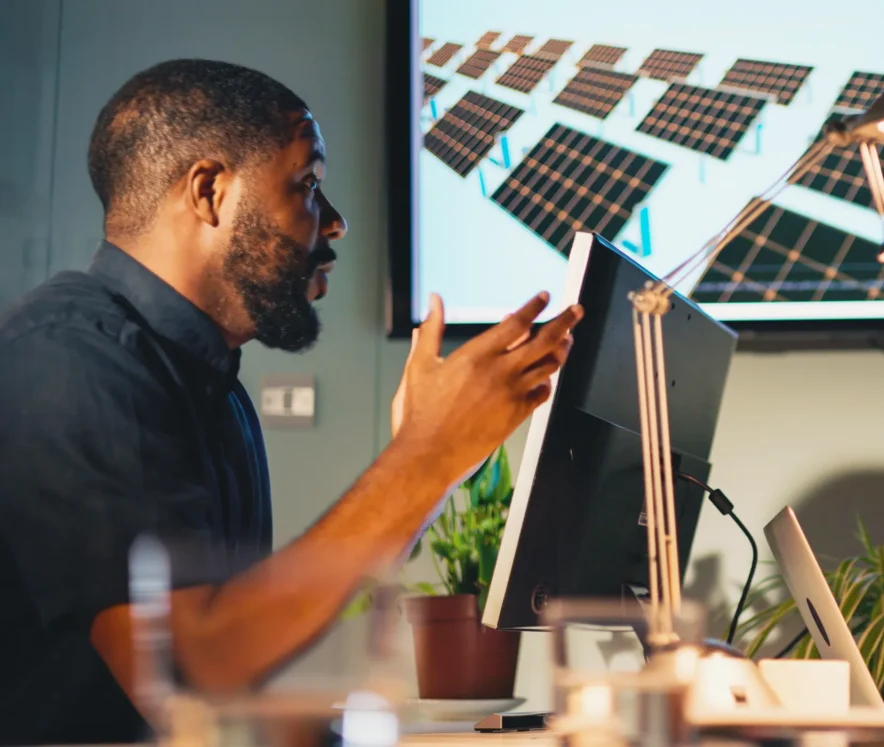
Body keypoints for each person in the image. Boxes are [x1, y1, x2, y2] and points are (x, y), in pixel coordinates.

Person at [0, 58, 582, 745]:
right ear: (211, 191)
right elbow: (188, 672)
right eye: (308, 184)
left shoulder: (221, 396)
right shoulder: (69, 358)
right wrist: (423, 458)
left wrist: (428, 462)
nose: (334, 224)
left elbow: (241, 657)